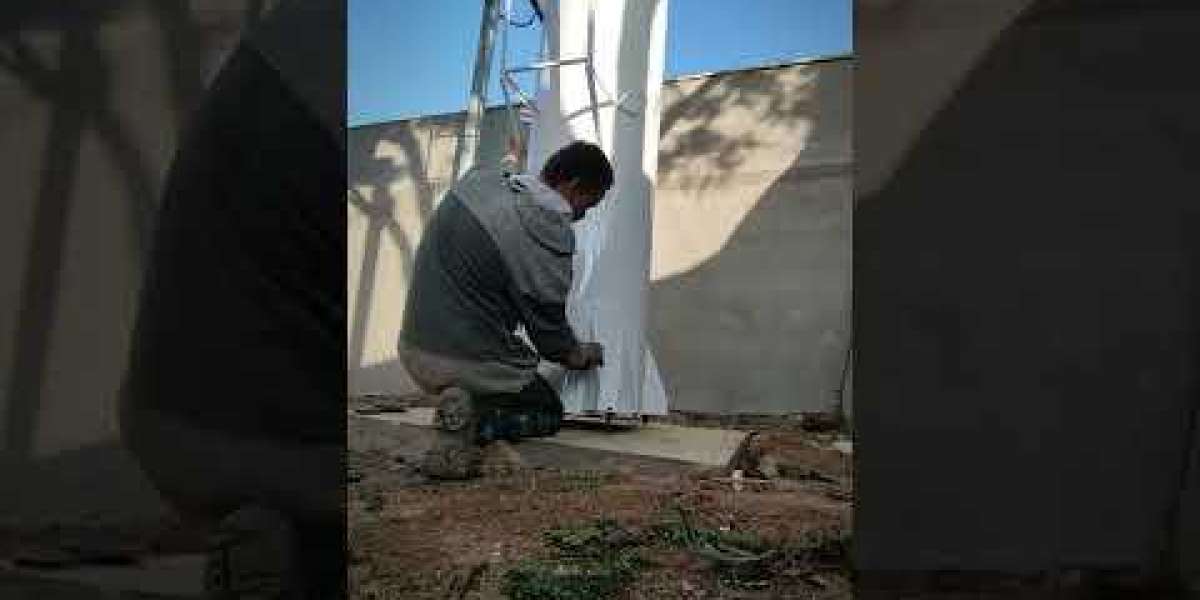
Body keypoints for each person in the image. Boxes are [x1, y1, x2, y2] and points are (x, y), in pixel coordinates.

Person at [118, 2, 345, 597]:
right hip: (278, 451)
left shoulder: (301, 40)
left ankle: (290, 542)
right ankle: (302, 550)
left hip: (170, 418)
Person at [399, 140, 612, 479]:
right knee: (546, 408)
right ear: (571, 186)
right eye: (590, 204)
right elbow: (550, 338)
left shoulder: (480, 182)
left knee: (501, 369)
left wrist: (517, 154)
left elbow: (509, 168)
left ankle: (462, 403)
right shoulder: (547, 234)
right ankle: (474, 426)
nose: (583, 217)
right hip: (465, 359)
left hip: (413, 347)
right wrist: (581, 354)